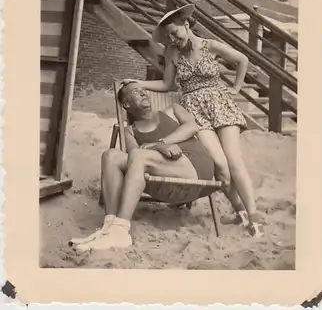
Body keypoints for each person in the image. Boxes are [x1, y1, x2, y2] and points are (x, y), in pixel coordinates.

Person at [122, 5, 263, 237]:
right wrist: (139, 83)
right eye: (167, 37)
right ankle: (241, 213)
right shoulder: (172, 54)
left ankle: (254, 218)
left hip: (220, 105)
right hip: (195, 112)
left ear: (186, 25)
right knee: (220, 165)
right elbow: (167, 85)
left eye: (174, 33)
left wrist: (236, 88)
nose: (172, 39)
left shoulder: (211, 46)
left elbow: (242, 59)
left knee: (234, 159)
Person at [69, 81, 215, 251]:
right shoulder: (130, 131)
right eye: (136, 92)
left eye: (143, 90)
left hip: (196, 168)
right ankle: (110, 227)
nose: (143, 93)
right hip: (165, 178)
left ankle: (121, 229)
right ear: (126, 104)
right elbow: (133, 161)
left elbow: (191, 127)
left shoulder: (173, 110)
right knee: (110, 156)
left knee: (138, 155)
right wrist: (159, 147)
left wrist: (162, 142)